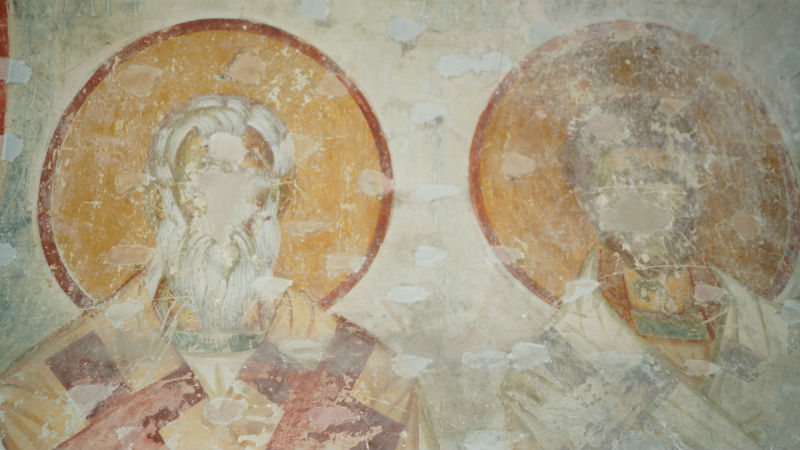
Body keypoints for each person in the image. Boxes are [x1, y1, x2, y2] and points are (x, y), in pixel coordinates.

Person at [0, 95, 427, 450]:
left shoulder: (374, 381)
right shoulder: (44, 393)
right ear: (160, 203)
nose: (226, 211)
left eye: (252, 185)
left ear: (280, 203)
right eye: (200, 184)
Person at [501, 93, 799, 449]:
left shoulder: (768, 333)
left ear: (695, 189)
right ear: (586, 201)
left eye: (656, 180)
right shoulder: (547, 372)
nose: (638, 204)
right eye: (617, 184)